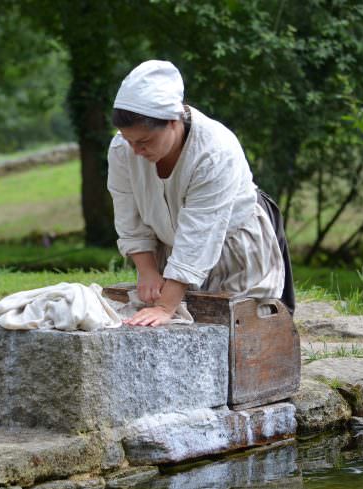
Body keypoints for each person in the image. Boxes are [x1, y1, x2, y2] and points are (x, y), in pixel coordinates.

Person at [107, 60, 294, 327]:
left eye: (144, 142)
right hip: (172, 252)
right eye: (129, 140)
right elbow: (127, 212)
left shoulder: (214, 152)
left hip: (232, 251)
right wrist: (147, 270)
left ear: (173, 121)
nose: (136, 150)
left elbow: (200, 232)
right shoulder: (121, 149)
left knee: (237, 333)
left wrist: (165, 306)